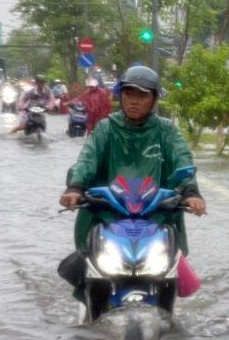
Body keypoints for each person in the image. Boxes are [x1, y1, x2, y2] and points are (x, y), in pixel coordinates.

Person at [58, 66, 207, 299]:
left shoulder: (166, 130)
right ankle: (88, 305)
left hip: (155, 213)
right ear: (120, 96)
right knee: (87, 260)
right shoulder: (106, 128)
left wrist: (191, 192)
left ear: (154, 99)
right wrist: (76, 187)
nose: (134, 101)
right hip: (109, 212)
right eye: (129, 94)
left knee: (174, 266)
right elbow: (87, 159)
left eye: (142, 96)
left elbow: (182, 161)